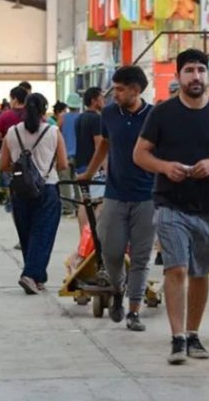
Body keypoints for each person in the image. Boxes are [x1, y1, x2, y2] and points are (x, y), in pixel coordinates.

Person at [134, 49, 209, 365]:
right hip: (170, 204)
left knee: (199, 273)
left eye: (200, 70)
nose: (195, 76)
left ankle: (193, 334)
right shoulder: (162, 113)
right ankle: (178, 338)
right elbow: (140, 154)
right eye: (189, 70)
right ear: (178, 76)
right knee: (177, 268)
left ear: (207, 75)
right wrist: (164, 167)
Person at [79, 66, 155, 331]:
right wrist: (88, 173)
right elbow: (104, 145)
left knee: (141, 257)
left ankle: (133, 311)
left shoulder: (154, 116)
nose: (115, 95)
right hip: (115, 195)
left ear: (136, 90)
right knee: (110, 252)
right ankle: (118, 289)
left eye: (120, 90)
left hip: (147, 197)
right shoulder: (109, 113)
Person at [0, 93, 69, 294]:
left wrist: (23, 171)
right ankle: (30, 274)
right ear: (44, 110)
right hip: (47, 188)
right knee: (43, 233)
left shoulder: (12, 132)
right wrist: (44, 167)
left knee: (26, 233)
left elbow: (4, 165)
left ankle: (37, 277)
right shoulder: (53, 131)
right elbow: (63, 164)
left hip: (20, 189)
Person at [74, 87, 106, 227]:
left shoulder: (79, 118)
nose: (104, 101)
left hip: (80, 164)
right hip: (93, 167)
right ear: (94, 101)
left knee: (85, 201)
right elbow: (100, 146)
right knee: (101, 201)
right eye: (102, 98)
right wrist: (105, 168)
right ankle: (93, 234)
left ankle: (84, 235)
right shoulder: (96, 119)